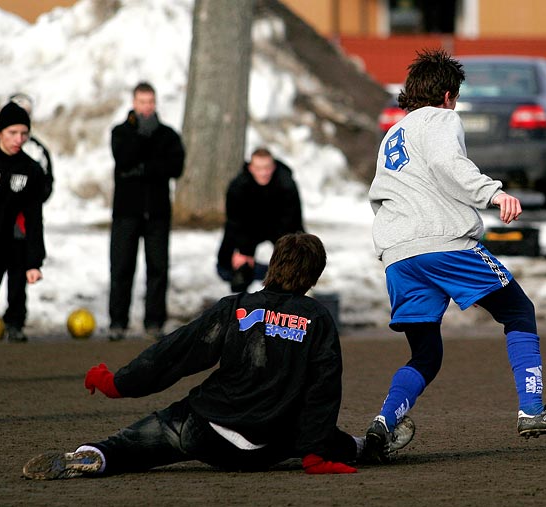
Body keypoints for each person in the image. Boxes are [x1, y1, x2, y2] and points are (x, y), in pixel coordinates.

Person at [21, 233, 415, 480]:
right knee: (315, 432)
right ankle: (364, 446)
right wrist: (315, 454)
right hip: (272, 444)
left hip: (206, 429)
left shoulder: (237, 307)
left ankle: (94, 456)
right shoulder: (318, 319)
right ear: (313, 277)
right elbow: (323, 391)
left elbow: (176, 353)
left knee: (127, 446)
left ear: (273, 266)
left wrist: (117, 382)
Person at [363, 49, 546, 463]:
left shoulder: (394, 133)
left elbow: (381, 193)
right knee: (518, 311)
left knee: (426, 354)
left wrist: (397, 242)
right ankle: (532, 411)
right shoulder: (442, 119)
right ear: (448, 95)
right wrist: (494, 193)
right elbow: (451, 165)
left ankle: (384, 422)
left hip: (398, 254)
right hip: (443, 244)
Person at [108, 82, 185, 342]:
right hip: (126, 212)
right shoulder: (121, 132)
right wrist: (146, 154)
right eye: (142, 102)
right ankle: (117, 322)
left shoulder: (167, 135)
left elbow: (175, 166)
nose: (146, 107)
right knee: (121, 267)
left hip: (157, 213)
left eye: (150, 102)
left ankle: (154, 322)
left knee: (158, 269)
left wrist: (143, 168)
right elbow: (124, 159)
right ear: (133, 103)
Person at [0, 93, 53, 342]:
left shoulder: (31, 169)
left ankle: (15, 324)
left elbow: (35, 218)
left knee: (15, 290)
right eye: (12, 133)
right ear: (0, 132)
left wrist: (35, 262)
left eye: (23, 133)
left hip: (15, 242)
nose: (18, 139)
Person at [216, 147, 304, 293]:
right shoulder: (238, 186)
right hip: (249, 228)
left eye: (267, 168)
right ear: (251, 168)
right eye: (258, 168)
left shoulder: (286, 183)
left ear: (273, 166)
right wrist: (243, 252)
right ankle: (243, 289)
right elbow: (234, 221)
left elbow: (292, 220)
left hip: (280, 227)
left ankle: (286, 286)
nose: (263, 173)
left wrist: (290, 256)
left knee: (297, 258)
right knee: (228, 267)